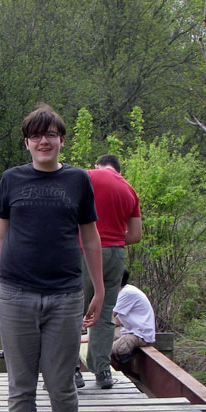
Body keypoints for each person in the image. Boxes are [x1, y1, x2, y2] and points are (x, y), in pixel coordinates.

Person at [0, 103, 105, 412]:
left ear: (61, 140)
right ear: (27, 142)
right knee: (20, 389)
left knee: (61, 386)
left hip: (65, 296)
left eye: (51, 134)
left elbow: (90, 238)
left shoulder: (78, 181)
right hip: (17, 294)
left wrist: (100, 288)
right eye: (36, 135)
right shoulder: (11, 180)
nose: (44, 140)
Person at [79, 154, 142, 390]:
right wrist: (113, 240)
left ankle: (71, 370)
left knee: (74, 309)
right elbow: (135, 235)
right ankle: (102, 371)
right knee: (104, 313)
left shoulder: (89, 176)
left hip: (84, 250)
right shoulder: (129, 190)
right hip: (115, 254)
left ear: (98, 165)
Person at [112, 270, 155, 363]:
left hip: (140, 335)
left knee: (107, 350)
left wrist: (90, 337)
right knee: (105, 337)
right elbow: (117, 320)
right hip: (130, 331)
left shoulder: (127, 293)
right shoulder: (124, 292)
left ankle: (126, 354)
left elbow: (109, 317)